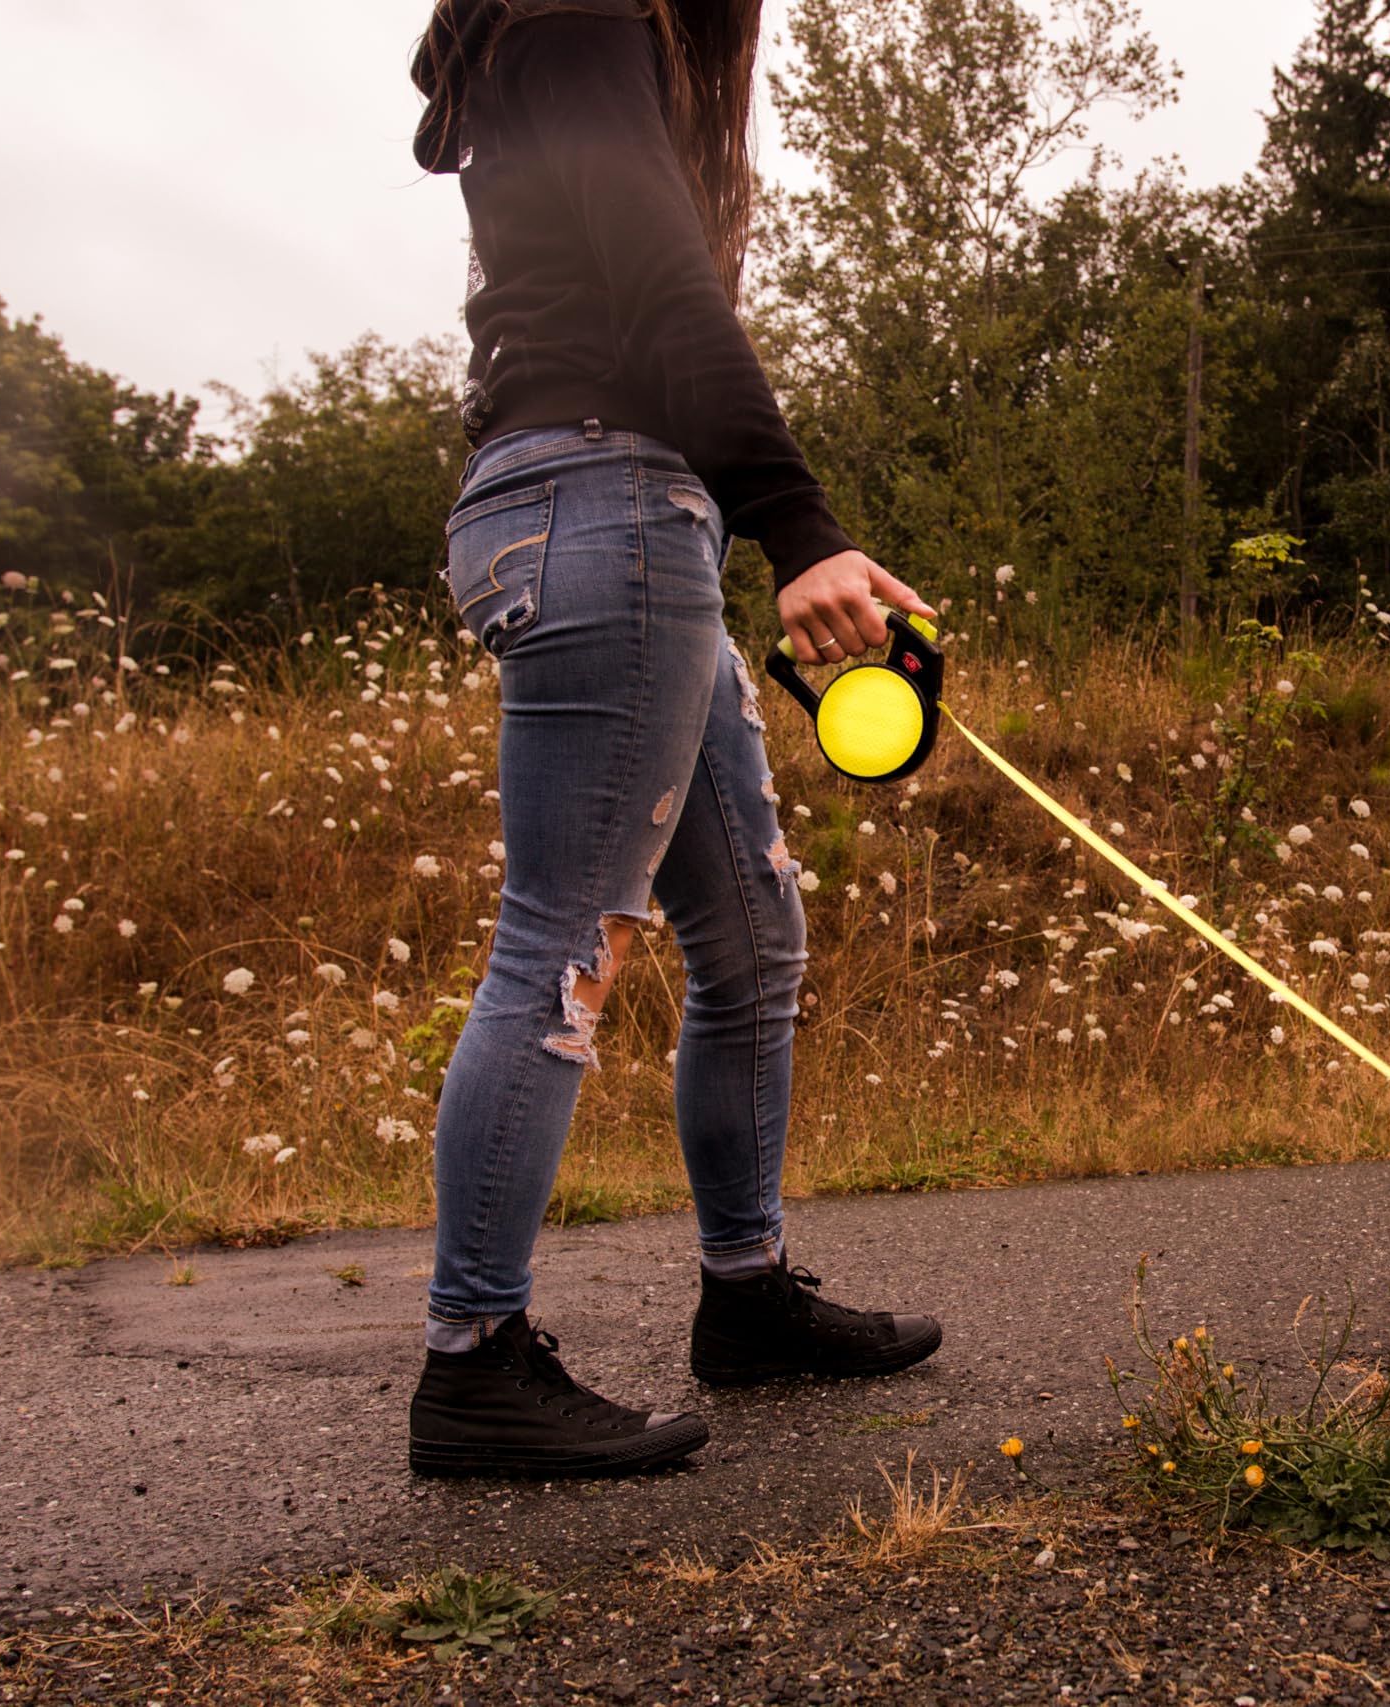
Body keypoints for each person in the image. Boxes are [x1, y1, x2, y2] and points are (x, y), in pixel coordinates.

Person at [404, 0, 941, 1479]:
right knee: (565, 941)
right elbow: (658, 277)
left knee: (752, 931)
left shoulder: (560, 40)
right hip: (606, 509)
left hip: (613, 513)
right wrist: (800, 525)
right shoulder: (577, 16)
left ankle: (749, 1294)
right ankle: (474, 1366)